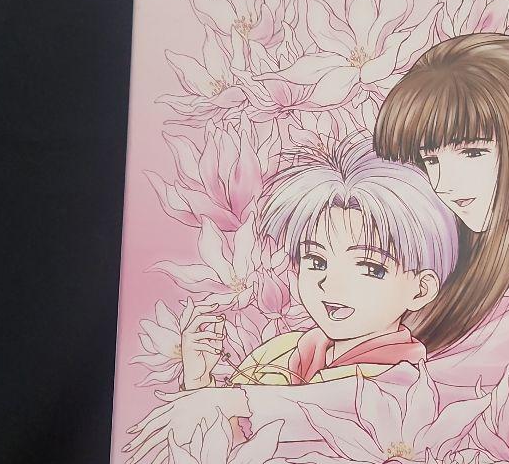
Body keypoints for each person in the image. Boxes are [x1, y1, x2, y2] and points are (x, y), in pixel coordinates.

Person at [123, 33, 509, 464]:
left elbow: (444, 398)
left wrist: (237, 402)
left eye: (473, 152)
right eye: (431, 160)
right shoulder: (474, 264)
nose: (446, 184)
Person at [179, 136, 456, 388]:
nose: (330, 284)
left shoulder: (401, 382)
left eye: (370, 268)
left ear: (421, 290)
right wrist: (198, 381)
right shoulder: (281, 351)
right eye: (316, 261)